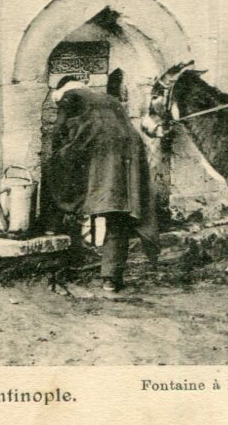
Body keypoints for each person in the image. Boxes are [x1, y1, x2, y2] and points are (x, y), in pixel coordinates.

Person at [49, 75, 159, 295]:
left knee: (60, 182)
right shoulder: (109, 98)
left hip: (101, 156)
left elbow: (58, 133)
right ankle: (111, 279)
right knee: (118, 213)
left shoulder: (69, 97)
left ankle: (63, 259)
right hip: (128, 159)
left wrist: (57, 159)